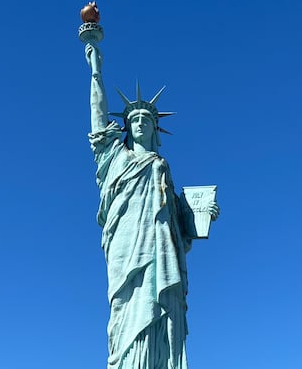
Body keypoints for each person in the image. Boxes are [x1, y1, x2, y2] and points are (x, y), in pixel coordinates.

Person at [85, 43, 219, 369]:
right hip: (126, 244)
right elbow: (98, 122)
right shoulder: (114, 158)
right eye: (135, 119)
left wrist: (200, 217)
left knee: (163, 314)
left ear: (155, 128)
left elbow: (177, 222)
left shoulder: (161, 166)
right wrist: (96, 71)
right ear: (127, 127)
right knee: (125, 308)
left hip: (161, 249)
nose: (141, 123)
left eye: (147, 118)